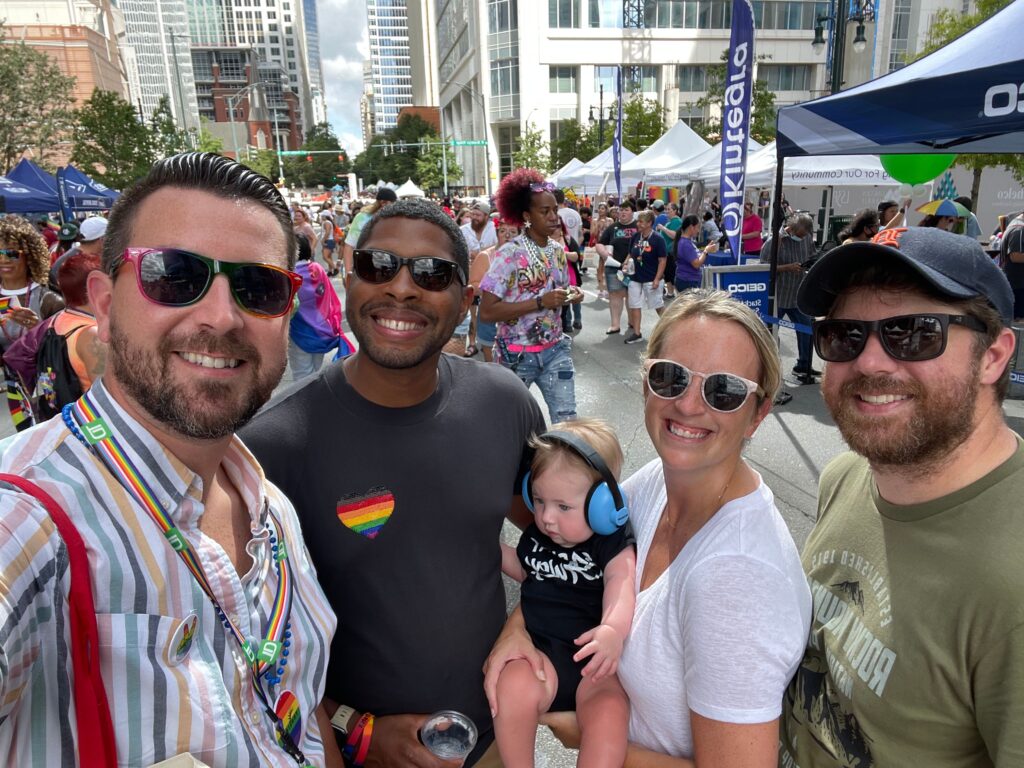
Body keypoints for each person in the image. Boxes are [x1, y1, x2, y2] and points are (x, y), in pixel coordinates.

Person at [0, 152, 340, 767]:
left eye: (259, 287)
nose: (220, 315)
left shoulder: (270, 507)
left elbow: (296, 705)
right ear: (102, 305)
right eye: (173, 276)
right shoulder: (28, 519)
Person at [240, 197, 545, 768]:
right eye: (380, 266)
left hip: (496, 742)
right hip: (353, 754)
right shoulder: (272, 446)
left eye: (431, 274)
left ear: (464, 300)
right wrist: (352, 726)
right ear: (348, 278)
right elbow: (247, 643)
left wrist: (525, 626)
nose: (402, 289)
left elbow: (562, 543)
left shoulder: (503, 403)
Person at [486, 289, 811, 767]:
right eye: (670, 377)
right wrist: (518, 629)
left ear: (757, 414)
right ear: (646, 385)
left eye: (723, 391)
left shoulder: (738, 579)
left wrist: (595, 743)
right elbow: (566, 567)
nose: (689, 405)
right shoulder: (655, 484)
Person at [780, 226, 1024, 768]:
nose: (869, 363)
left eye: (913, 332)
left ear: (993, 356)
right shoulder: (846, 476)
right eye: (845, 335)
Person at [494, 419, 635, 768]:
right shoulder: (541, 538)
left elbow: (622, 581)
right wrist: (493, 551)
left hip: (594, 667)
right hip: (541, 657)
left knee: (610, 713)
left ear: (602, 505)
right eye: (538, 500)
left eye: (563, 507)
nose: (546, 518)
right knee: (510, 686)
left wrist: (613, 630)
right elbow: (526, 570)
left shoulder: (609, 543)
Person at [480, 170, 582, 423]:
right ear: (526, 216)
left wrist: (571, 295)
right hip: (516, 355)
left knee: (568, 422)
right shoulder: (509, 255)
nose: (553, 217)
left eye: (554, 210)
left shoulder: (558, 251)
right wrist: (539, 302)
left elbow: (557, 293)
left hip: (556, 350)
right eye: (544, 211)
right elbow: (487, 312)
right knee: (506, 424)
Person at [5, 252, 105, 420]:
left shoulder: (56, 320)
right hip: (95, 428)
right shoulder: (91, 334)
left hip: (63, 422)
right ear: (97, 287)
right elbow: (111, 402)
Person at [0, 216, 65, 430]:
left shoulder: (48, 299)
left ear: (29, 256)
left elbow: (66, 348)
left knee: (54, 433)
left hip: (49, 384)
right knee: (26, 435)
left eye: (11, 253)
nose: (4, 259)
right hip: (14, 388)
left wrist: (38, 330)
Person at [761, 212, 817, 384]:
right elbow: (763, 266)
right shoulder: (774, 242)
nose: (803, 238)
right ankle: (768, 369)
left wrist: (809, 265)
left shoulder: (806, 238)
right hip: (778, 295)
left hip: (798, 294)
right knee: (769, 333)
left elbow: (812, 256)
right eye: (800, 235)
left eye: (805, 235)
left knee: (807, 330)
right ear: (791, 229)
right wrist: (786, 267)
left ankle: (804, 365)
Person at [288, 233, 353, 381]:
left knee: (301, 374)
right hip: (322, 331)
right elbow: (329, 297)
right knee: (315, 371)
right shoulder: (317, 268)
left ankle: (306, 403)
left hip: (300, 333)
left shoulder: (291, 276)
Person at [469, 219, 520, 362]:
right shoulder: (486, 256)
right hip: (492, 318)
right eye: (503, 231)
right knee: (493, 365)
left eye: (513, 232)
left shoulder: (524, 256)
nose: (508, 235)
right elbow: (473, 286)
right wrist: (494, 286)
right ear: (497, 234)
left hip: (518, 319)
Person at [623, 210, 668, 344]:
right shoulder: (636, 236)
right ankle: (637, 333)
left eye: (641, 222)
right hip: (635, 277)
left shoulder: (658, 239)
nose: (638, 224)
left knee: (658, 305)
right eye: (638, 221)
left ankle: (669, 328)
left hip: (651, 278)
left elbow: (662, 260)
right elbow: (631, 253)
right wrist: (626, 264)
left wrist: (657, 279)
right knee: (635, 305)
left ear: (649, 223)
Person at [596, 202, 638, 335]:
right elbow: (600, 243)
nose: (623, 212)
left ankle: (633, 322)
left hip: (634, 268)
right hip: (614, 267)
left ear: (632, 212)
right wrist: (603, 253)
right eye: (621, 210)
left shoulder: (639, 226)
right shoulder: (613, 227)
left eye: (626, 210)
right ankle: (615, 325)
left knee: (632, 295)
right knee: (615, 294)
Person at [342, 187, 397, 279]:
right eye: (392, 204)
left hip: (391, 268)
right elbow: (349, 246)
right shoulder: (362, 218)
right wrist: (348, 274)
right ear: (383, 202)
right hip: (366, 267)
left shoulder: (395, 218)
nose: (394, 207)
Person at [673, 214, 718, 293]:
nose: (698, 230)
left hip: (687, 280)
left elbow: (694, 257)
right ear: (691, 227)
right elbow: (696, 264)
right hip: (688, 281)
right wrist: (706, 251)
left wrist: (705, 249)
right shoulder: (685, 244)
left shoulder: (686, 241)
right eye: (697, 227)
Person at [1000, 210, 1024, 319]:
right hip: (1017, 286)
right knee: (1017, 323)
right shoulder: (1019, 229)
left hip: (1016, 285)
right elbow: (1015, 256)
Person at [656, 202, 682, 300]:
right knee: (667, 273)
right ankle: (670, 292)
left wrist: (663, 228)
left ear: (675, 211)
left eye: (669, 209)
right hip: (665, 252)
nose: (667, 211)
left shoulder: (677, 221)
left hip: (672, 252)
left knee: (671, 273)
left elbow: (674, 235)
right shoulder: (669, 221)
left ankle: (677, 294)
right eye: (666, 209)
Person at [590, 202, 613, 299]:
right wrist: (598, 225)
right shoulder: (594, 220)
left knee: (608, 268)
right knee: (599, 269)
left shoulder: (610, 220)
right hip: (598, 245)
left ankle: (608, 289)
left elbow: (612, 233)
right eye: (599, 208)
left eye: (603, 208)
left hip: (608, 246)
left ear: (606, 210)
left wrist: (605, 225)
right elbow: (593, 233)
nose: (600, 210)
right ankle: (601, 289)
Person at [318, 202, 339, 276]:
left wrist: (323, 240)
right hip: (330, 240)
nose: (321, 217)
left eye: (322, 216)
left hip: (328, 240)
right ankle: (330, 271)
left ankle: (335, 268)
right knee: (329, 257)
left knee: (325, 257)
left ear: (325, 216)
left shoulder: (326, 222)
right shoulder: (329, 222)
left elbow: (327, 232)